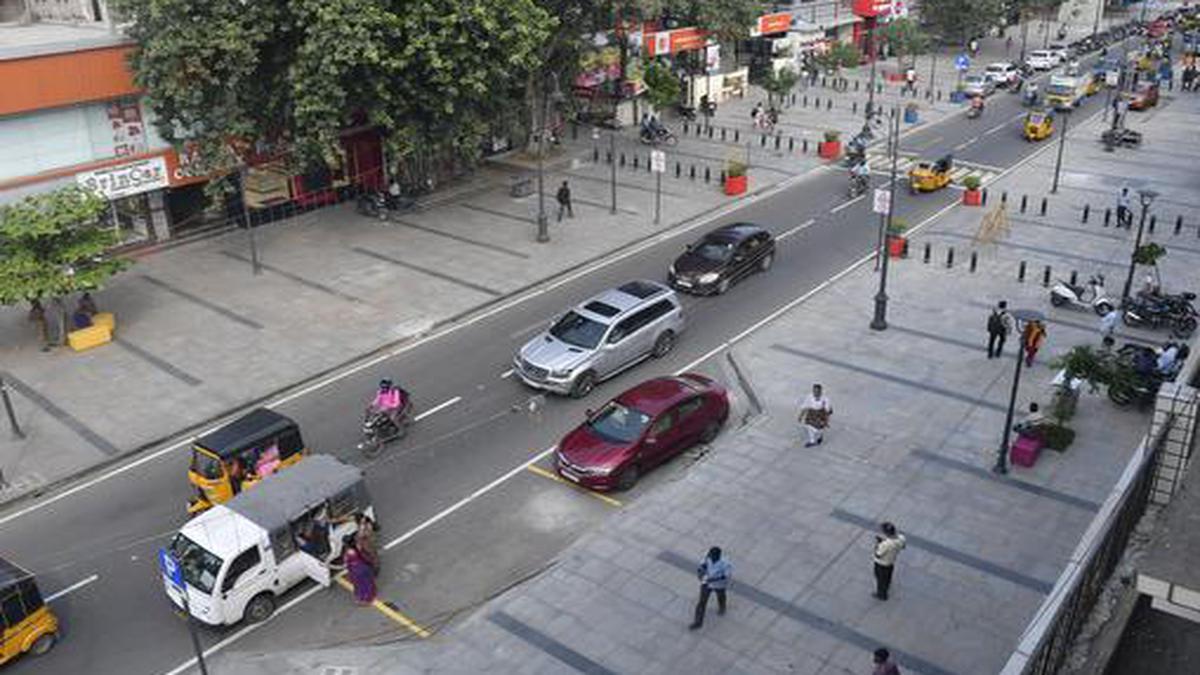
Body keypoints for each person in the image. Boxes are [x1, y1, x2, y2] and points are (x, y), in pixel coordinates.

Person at [689, 547, 731, 629]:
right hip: (707, 583)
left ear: (717, 556)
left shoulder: (725, 564)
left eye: (712, 556)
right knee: (702, 602)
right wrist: (700, 572)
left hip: (719, 585)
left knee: (721, 596)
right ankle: (698, 622)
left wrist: (713, 579)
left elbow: (726, 576)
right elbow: (703, 565)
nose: (710, 557)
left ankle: (722, 607)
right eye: (710, 555)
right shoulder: (708, 556)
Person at [872, 522, 906, 600]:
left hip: (882, 563)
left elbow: (878, 554)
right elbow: (903, 546)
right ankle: (888, 583)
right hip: (891, 562)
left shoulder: (886, 544)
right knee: (888, 575)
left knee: (880, 578)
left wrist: (878, 543)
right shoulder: (901, 538)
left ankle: (881, 595)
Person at [344, 538, 377, 605]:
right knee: (368, 583)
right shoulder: (358, 547)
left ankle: (364, 600)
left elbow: (345, 565)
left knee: (360, 586)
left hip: (356, 571)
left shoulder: (348, 553)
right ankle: (370, 597)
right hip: (364, 567)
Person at [798, 384, 832, 448]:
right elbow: (805, 406)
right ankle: (812, 441)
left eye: (817, 391)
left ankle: (820, 436)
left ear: (820, 391)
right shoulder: (809, 397)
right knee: (809, 427)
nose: (815, 393)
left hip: (820, 414)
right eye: (814, 391)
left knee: (819, 429)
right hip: (811, 414)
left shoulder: (825, 399)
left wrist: (826, 420)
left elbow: (827, 410)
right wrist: (801, 415)